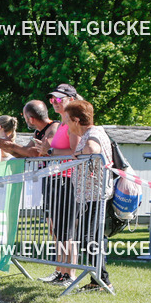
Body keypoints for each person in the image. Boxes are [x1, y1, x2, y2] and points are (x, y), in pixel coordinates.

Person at [62, 99, 113, 292]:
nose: (66, 125)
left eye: (67, 120)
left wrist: (78, 154)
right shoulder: (92, 132)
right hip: (89, 195)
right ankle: (97, 281)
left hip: (96, 195)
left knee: (87, 238)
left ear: (76, 120)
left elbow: (93, 149)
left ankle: (103, 281)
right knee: (92, 238)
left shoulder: (93, 133)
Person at [40, 84, 83, 285]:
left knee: (67, 231)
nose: (55, 103)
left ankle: (70, 274)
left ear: (70, 99)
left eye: (59, 99)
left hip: (68, 180)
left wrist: (50, 153)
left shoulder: (74, 123)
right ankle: (60, 271)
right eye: (52, 100)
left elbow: (75, 152)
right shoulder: (62, 124)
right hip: (55, 179)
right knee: (58, 230)